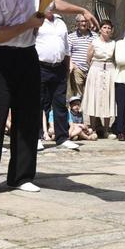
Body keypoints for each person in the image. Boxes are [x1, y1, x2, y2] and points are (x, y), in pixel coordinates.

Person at [0, 0, 97, 197]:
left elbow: (51, 3)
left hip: (28, 55)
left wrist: (81, 9)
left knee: (28, 117)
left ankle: (21, 175)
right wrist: (28, 23)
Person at [37, 8, 79, 151]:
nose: (49, 5)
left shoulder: (60, 22)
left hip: (59, 67)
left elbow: (66, 47)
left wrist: (67, 67)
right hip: (40, 66)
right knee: (39, 103)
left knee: (60, 103)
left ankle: (62, 138)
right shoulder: (37, 20)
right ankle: (36, 137)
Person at [82, 20, 116, 138]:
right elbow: (88, 58)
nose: (106, 30)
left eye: (109, 28)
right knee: (94, 98)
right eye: (104, 27)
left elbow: (115, 58)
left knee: (108, 98)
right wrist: (95, 69)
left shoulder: (113, 43)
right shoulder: (94, 42)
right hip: (96, 69)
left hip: (110, 70)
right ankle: (94, 128)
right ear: (100, 29)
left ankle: (106, 129)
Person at [67, 14, 93, 100]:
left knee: (90, 93)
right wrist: (72, 65)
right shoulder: (71, 37)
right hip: (78, 68)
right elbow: (68, 53)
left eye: (86, 21)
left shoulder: (95, 36)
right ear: (77, 23)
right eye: (82, 21)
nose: (84, 23)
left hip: (91, 69)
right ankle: (78, 110)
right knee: (78, 94)